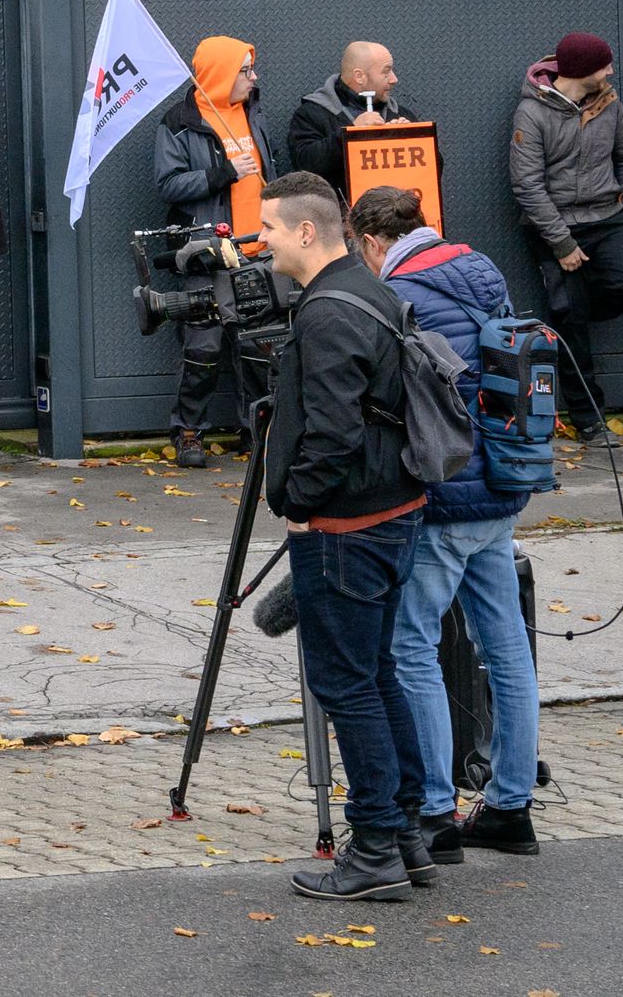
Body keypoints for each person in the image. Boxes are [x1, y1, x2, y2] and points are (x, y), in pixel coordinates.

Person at [255, 170, 433, 903]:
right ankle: (409, 834)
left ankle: (376, 849)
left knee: (346, 684)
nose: (258, 241)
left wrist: (297, 501)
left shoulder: (327, 312)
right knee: (376, 673)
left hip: (346, 526)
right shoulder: (371, 288)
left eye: (267, 227)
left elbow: (330, 430)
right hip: (392, 512)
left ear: (305, 231)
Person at [361, 184, 540, 864]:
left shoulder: (402, 293)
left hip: (442, 497)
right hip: (501, 484)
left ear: (373, 241)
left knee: (412, 646)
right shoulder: (482, 272)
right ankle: (511, 806)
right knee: (507, 649)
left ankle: (435, 809)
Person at [153, 36, 294, 464]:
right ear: (220, 73)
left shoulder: (254, 113)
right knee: (203, 348)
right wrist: (223, 173)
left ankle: (256, 432)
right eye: (245, 71)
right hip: (209, 251)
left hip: (260, 250)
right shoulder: (179, 123)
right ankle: (189, 432)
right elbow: (167, 184)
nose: (254, 79)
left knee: (258, 348)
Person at [508, 31, 623, 443]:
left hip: (609, 217)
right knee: (570, 322)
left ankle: (581, 305)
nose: (611, 71)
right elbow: (527, 186)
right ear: (584, 70)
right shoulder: (531, 113)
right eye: (605, 65)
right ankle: (589, 420)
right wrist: (563, 244)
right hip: (555, 225)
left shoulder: (609, 102)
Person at [290, 41, 406, 189]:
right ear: (359, 76)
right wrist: (349, 133)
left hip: (393, 209)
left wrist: (413, 137)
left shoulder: (398, 114)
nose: (394, 79)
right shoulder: (311, 114)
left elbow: (432, 170)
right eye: (386, 71)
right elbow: (304, 165)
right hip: (339, 210)